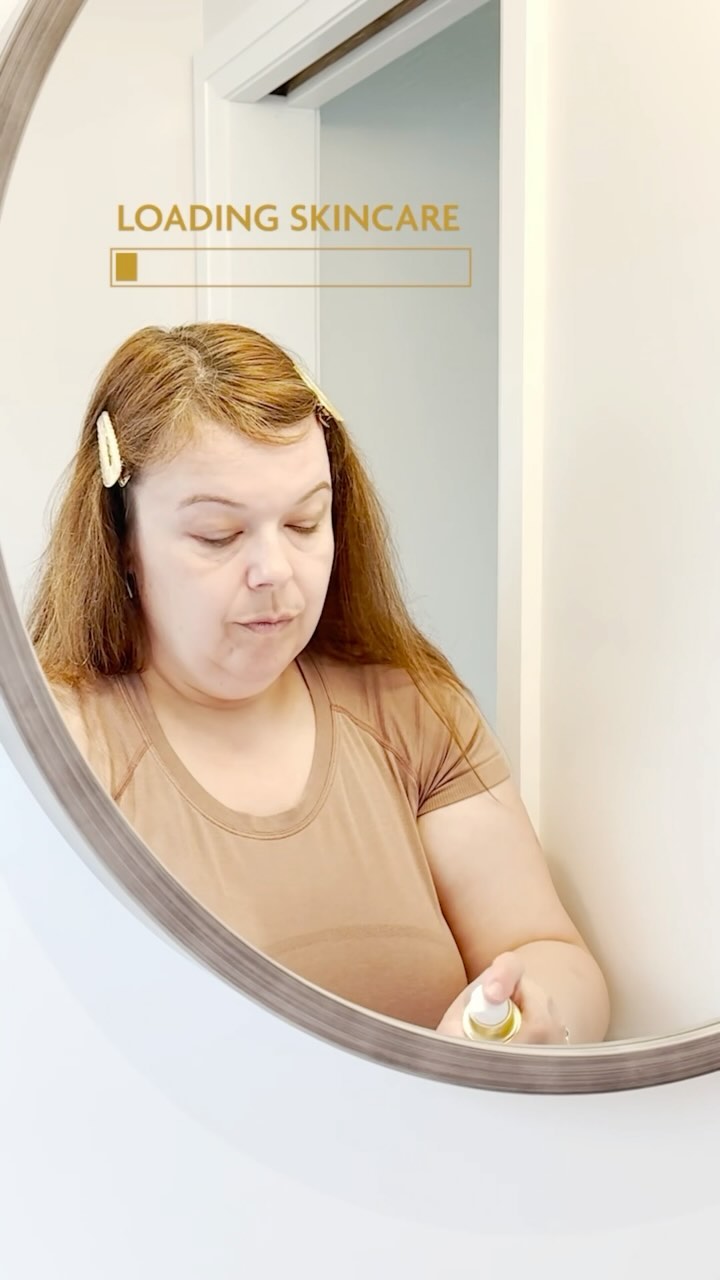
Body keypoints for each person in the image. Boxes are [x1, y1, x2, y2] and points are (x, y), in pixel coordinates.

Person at [28, 322, 610, 1045]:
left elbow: (553, 955)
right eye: (218, 535)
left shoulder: (411, 708)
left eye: (305, 522)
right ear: (122, 539)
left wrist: (532, 1010)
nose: (275, 570)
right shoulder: (60, 749)